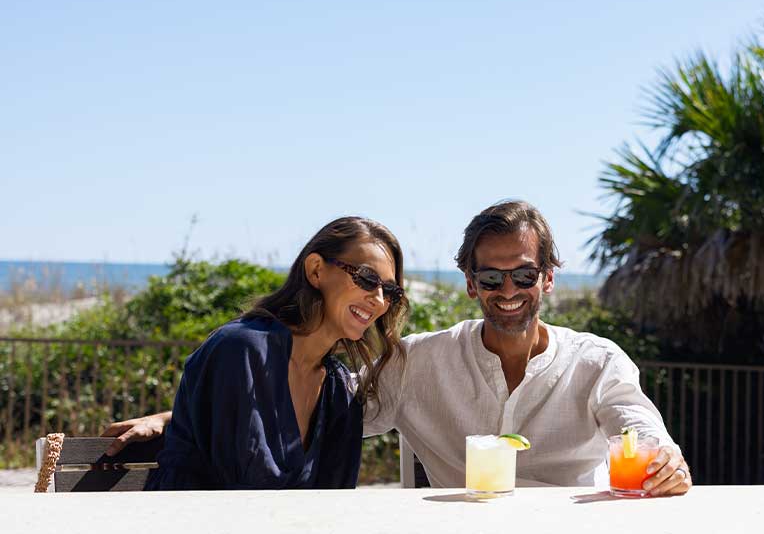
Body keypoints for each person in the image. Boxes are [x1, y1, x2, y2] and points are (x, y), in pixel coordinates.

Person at [107, 201, 691, 496]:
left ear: (548, 278)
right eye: (491, 278)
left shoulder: (597, 362)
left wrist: (663, 460)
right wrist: (182, 413)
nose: (507, 290)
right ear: (470, 284)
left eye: (523, 274)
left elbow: (636, 426)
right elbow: (284, 414)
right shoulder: (418, 363)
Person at [131, 216, 409, 489]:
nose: (380, 299)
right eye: (366, 278)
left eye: (390, 289)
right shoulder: (241, 351)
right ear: (315, 270)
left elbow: (334, 501)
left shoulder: (337, 389)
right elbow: (236, 492)